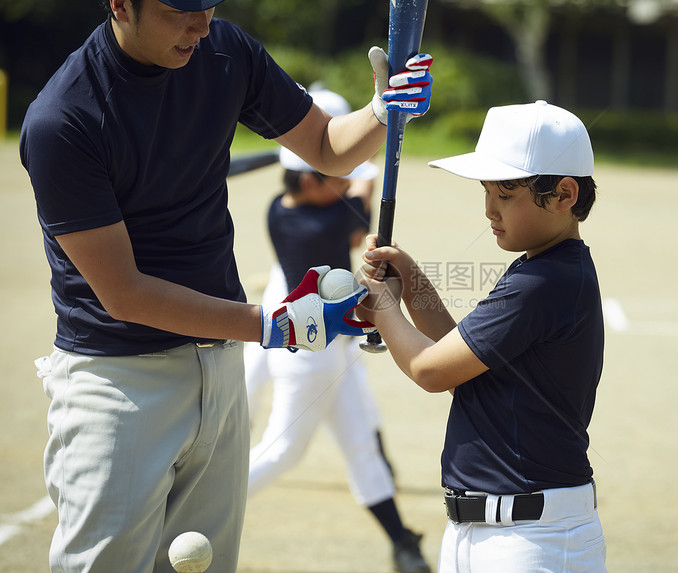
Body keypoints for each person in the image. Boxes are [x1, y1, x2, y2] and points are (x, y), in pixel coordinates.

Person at [18, 0, 433, 570]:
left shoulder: (224, 51)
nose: (201, 24)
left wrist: (382, 112)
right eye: (179, 10)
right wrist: (272, 325)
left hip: (219, 365)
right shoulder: (63, 119)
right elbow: (125, 293)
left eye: (209, 6)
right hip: (117, 383)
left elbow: (327, 149)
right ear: (120, 5)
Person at [357, 100, 607, 573]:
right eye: (488, 191)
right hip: (489, 533)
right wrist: (409, 281)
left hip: (534, 540)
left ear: (564, 194)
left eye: (506, 194)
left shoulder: (545, 282)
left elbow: (430, 370)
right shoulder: (540, 267)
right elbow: (460, 364)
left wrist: (384, 305)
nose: (490, 209)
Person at [242, 87, 431, 573]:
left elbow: (342, 200)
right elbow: (355, 230)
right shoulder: (309, 226)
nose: (343, 183)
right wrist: (367, 182)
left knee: (363, 449)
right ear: (306, 183)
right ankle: (204, 504)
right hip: (308, 350)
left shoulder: (282, 205)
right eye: (332, 179)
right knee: (283, 450)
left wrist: (347, 173)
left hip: (334, 347)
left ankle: (401, 542)